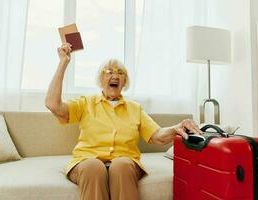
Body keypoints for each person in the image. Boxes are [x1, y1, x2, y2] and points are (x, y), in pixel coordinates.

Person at [45, 43, 202, 200]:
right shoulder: (86, 102)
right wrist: (63, 63)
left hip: (125, 162)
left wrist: (177, 128)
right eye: (109, 72)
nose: (115, 75)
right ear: (101, 79)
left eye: (120, 72)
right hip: (87, 160)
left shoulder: (134, 108)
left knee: (121, 166)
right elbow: (53, 105)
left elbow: (157, 136)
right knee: (93, 167)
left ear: (124, 80)